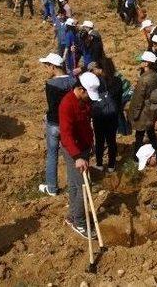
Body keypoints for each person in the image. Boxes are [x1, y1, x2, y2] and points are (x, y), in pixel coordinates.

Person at [59, 72, 100, 239]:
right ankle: (80, 223)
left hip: (84, 147)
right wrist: (77, 157)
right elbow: (66, 135)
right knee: (83, 187)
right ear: (80, 89)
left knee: (76, 185)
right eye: (88, 95)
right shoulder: (67, 105)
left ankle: (72, 215)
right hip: (74, 151)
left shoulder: (83, 101)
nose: (89, 99)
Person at [38, 53, 75, 196]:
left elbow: (52, 105)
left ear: (53, 67)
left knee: (52, 154)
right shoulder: (73, 82)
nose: (46, 69)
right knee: (71, 154)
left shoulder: (50, 84)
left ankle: (52, 187)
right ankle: (75, 185)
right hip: (69, 123)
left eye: (47, 66)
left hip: (54, 123)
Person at [88, 58, 123, 172]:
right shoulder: (117, 81)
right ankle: (112, 165)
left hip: (99, 116)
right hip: (113, 115)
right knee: (111, 140)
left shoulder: (97, 82)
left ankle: (99, 163)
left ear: (101, 69)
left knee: (99, 140)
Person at [129, 51, 157, 155]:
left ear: (147, 63)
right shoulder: (155, 75)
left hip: (143, 112)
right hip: (152, 109)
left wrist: (135, 115)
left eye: (142, 61)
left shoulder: (144, 79)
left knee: (139, 135)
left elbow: (139, 99)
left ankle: (136, 156)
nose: (140, 62)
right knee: (151, 132)